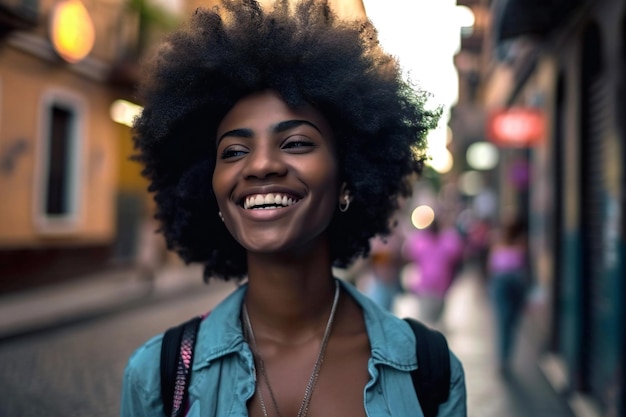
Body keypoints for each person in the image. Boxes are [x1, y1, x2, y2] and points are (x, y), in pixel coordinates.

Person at [121, 1, 466, 416]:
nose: (262, 164)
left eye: (297, 143)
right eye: (233, 151)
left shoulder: (430, 372)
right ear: (208, 189)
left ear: (346, 179)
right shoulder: (158, 376)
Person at [486, 214, 529, 373]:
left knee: (509, 322)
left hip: (510, 282)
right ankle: (504, 358)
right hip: (504, 282)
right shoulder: (500, 240)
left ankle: (505, 357)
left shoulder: (520, 241)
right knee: (505, 322)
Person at [404, 218, 464, 326]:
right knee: (432, 320)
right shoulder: (447, 243)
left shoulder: (421, 242)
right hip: (439, 286)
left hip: (429, 286)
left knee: (427, 321)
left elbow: (410, 255)